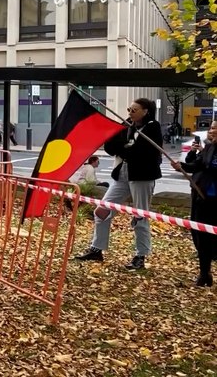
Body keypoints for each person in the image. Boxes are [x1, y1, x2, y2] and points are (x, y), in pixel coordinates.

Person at [75, 98, 162, 270]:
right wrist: (127, 146)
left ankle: (140, 255)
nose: (130, 112)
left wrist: (126, 148)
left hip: (142, 176)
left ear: (145, 111)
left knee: (140, 215)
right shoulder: (127, 125)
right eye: (129, 109)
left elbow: (144, 151)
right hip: (122, 173)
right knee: (101, 210)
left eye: (134, 110)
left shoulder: (152, 127)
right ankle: (97, 249)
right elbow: (110, 146)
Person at [171, 120, 217, 287]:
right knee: (200, 236)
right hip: (201, 197)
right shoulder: (208, 148)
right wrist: (180, 166)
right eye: (211, 127)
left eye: (215, 128)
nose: (211, 131)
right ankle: (205, 273)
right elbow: (195, 166)